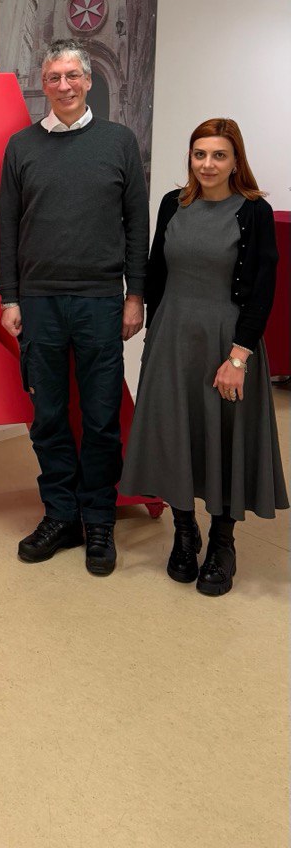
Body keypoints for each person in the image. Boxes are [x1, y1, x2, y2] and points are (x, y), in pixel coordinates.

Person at [0, 39, 148, 576]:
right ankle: (61, 515)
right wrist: (9, 295)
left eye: (72, 76)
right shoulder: (21, 146)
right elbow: (7, 224)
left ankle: (99, 520)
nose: (63, 86)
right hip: (39, 301)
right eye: (53, 77)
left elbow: (137, 223)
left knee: (102, 418)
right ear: (44, 84)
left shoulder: (118, 141)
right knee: (49, 417)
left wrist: (135, 295)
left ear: (88, 81)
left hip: (100, 300)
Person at [120, 118, 288, 595]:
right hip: (173, 338)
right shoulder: (172, 204)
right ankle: (185, 532)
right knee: (175, 434)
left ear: (236, 161)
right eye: (200, 154)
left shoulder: (254, 211)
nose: (208, 164)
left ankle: (222, 543)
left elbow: (262, 289)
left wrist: (238, 357)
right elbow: (156, 269)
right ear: (190, 158)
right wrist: (147, 323)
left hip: (227, 342)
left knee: (225, 438)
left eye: (219, 155)